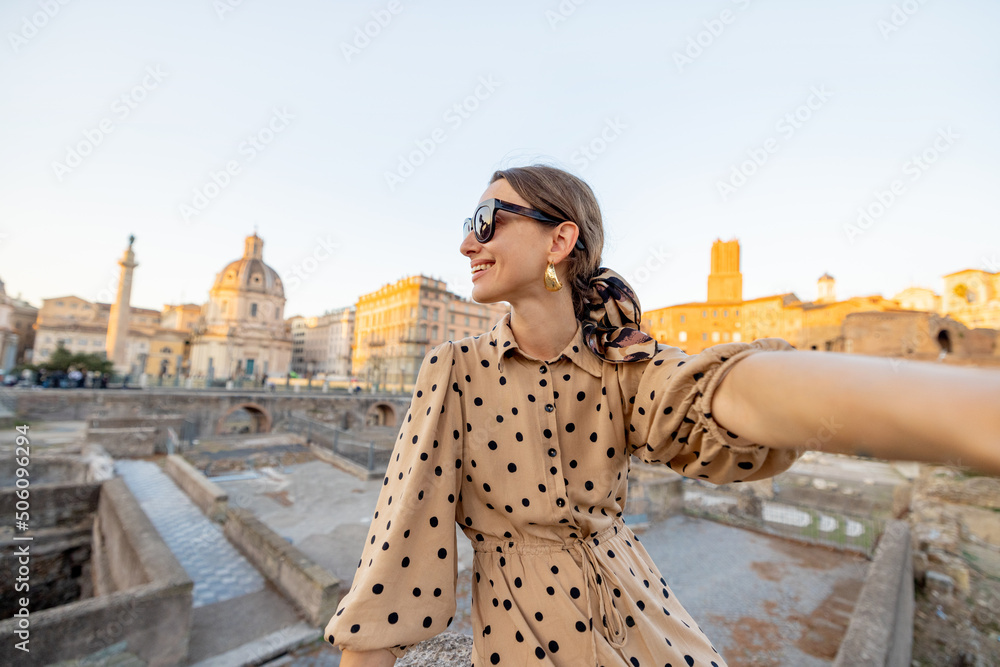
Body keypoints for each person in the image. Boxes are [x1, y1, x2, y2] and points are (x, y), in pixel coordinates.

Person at [326, 165, 1000, 667]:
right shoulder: (455, 366)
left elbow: (712, 396)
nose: (467, 244)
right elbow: (399, 549)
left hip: (648, 616)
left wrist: (966, 413)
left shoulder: (623, 364)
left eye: (485, 221)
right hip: (525, 635)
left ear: (559, 240)